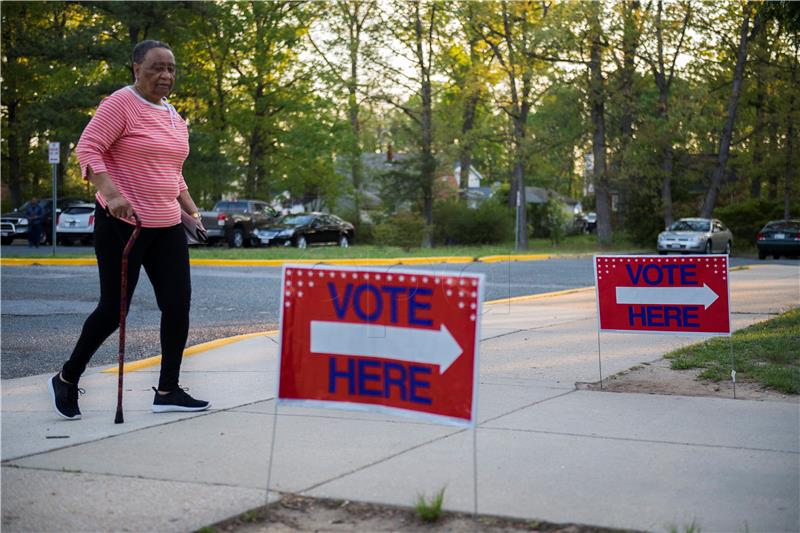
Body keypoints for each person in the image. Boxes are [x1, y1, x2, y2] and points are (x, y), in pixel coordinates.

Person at [48, 40, 210, 420]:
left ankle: (168, 388)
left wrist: (192, 212)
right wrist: (111, 191)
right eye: (156, 67)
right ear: (136, 68)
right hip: (123, 224)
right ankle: (67, 378)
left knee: (177, 306)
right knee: (113, 310)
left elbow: (174, 173)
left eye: (170, 68)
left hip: (167, 224)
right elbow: (89, 148)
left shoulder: (173, 115)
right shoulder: (120, 103)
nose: (165, 75)